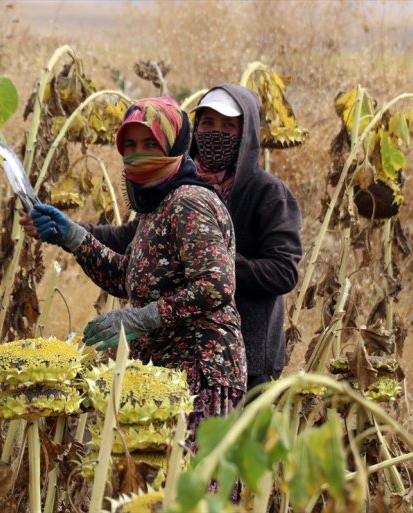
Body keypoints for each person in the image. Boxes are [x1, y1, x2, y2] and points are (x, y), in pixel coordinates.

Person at [20, 97, 246, 436]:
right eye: (131, 145)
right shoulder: (157, 207)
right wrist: (75, 237)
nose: (139, 154)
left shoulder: (189, 201)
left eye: (150, 144)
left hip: (200, 375)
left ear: (174, 146)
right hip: (164, 376)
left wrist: (143, 317)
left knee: (190, 470)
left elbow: (216, 285)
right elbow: (129, 278)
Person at [84, 84, 303, 392]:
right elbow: (134, 239)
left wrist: (210, 259)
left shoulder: (267, 192)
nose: (215, 133)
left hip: (243, 354)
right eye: (207, 123)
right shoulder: (176, 185)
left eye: (228, 126)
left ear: (247, 133)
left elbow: (283, 271)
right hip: (180, 349)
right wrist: (74, 233)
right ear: (195, 128)